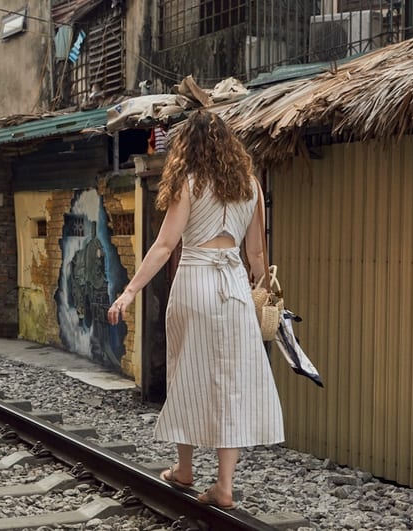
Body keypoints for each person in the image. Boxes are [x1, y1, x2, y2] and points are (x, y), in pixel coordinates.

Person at [107, 110, 284, 509]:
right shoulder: (251, 186)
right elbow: (257, 255)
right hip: (235, 289)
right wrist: (265, 295)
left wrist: (130, 291)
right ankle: (225, 485)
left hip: (195, 284)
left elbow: (165, 246)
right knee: (231, 381)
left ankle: (184, 468)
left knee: (185, 372)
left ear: (188, 146)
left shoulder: (189, 183)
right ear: (230, 145)